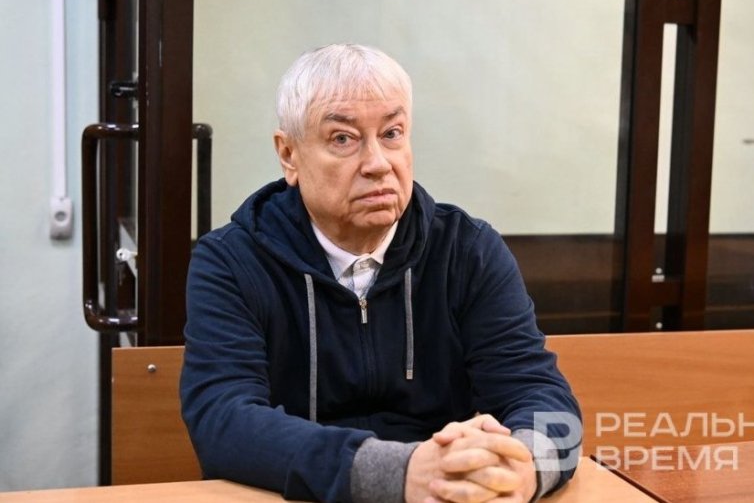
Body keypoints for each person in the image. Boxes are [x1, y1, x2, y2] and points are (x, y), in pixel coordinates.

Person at [180, 44, 581, 503]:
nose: (378, 163)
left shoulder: (467, 249)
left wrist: (522, 468)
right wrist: (400, 473)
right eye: (342, 139)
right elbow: (223, 420)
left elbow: (544, 398)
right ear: (289, 155)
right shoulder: (231, 261)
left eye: (392, 133)